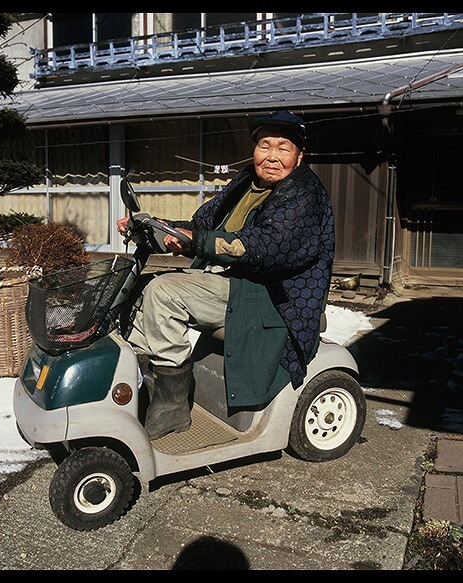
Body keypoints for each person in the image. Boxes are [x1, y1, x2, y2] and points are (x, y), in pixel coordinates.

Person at [117, 110, 335, 440]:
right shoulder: (246, 182)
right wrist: (161, 227)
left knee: (164, 292)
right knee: (141, 289)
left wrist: (198, 242)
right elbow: (204, 226)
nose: (272, 156)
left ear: (300, 155)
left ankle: (172, 406)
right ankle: (156, 383)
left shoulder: (304, 195)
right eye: (264, 146)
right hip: (233, 281)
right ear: (254, 150)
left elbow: (266, 248)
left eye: (283, 148)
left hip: (274, 295)